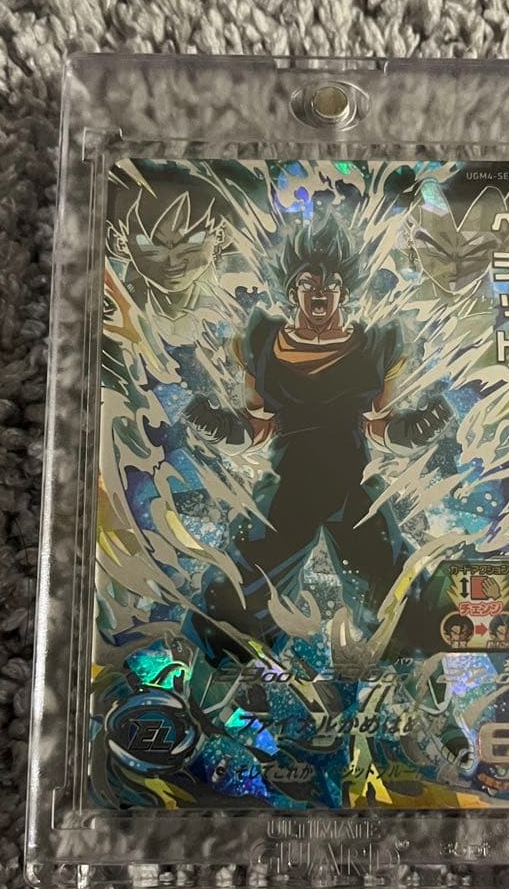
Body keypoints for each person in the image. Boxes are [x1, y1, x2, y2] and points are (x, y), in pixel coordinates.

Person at [181, 213, 451, 660]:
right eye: (308, 283)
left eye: (331, 283)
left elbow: (379, 425)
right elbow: (257, 425)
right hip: (287, 487)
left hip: (353, 486)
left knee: (393, 592)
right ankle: (213, 675)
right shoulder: (262, 342)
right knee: (243, 593)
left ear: (344, 291)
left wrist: (416, 427)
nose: (320, 292)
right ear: (293, 291)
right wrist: (219, 426)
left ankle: (420, 678)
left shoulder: (375, 345)